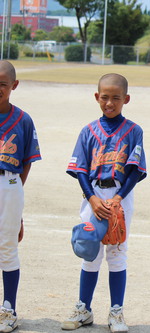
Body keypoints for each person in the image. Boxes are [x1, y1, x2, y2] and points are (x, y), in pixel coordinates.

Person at [62, 73, 147, 332]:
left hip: (120, 195)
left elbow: (136, 171)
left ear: (126, 99)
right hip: (94, 195)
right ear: (97, 97)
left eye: (116, 98)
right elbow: (80, 170)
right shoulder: (88, 131)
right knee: (90, 252)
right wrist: (92, 198)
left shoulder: (134, 131)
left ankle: (116, 312)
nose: (110, 103)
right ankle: (84, 309)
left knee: (117, 253)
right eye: (105, 97)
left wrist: (118, 199)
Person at [0, 60, 42, 333]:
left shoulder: (23, 119)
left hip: (10, 183)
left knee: (7, 247)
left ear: (14, 86)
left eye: (2, 85)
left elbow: (27, 161)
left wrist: (17, 195)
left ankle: (8, 309)